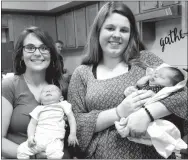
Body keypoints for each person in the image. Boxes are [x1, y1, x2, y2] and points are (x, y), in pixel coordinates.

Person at [67, 2, 187, 159]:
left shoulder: (146, 61)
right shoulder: (82, 73)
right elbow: (75, 123)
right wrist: (118, 112)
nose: (117, 35)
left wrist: (147, 114)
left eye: (124, 30)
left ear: (131, 35)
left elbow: (183, 91)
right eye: (110, 28)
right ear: (98, 32)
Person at [2, 26, 71, 158]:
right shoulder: (9, 86)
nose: (38, 53)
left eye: (44, 48)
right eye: (30, 47)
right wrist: (34, 156)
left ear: (51, 54)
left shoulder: (61, 87)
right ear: (21, 55)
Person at [115, 65, 187, 158]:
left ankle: (174, 144)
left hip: (155, 119)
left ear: (171, 85)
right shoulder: (148, 85)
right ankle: (128, 129)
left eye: (161, 77)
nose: (156, 76)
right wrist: (132, 90)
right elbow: (139, 87)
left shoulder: (163, 91)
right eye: (156, 72)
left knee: (160, 130)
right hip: (137, 112)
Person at [17, 84, 78, 159]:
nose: (48, 91)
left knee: (56, 155)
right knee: (21, 150)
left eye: (53, 90)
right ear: (41, 100)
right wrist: (30, 137)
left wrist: (72, 134)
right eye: (44, 91)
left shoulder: (63, 105)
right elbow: (32, 124)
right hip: (37, 141)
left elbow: (71, 118)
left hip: (54, 140)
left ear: (61, 98)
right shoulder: (38, 109)